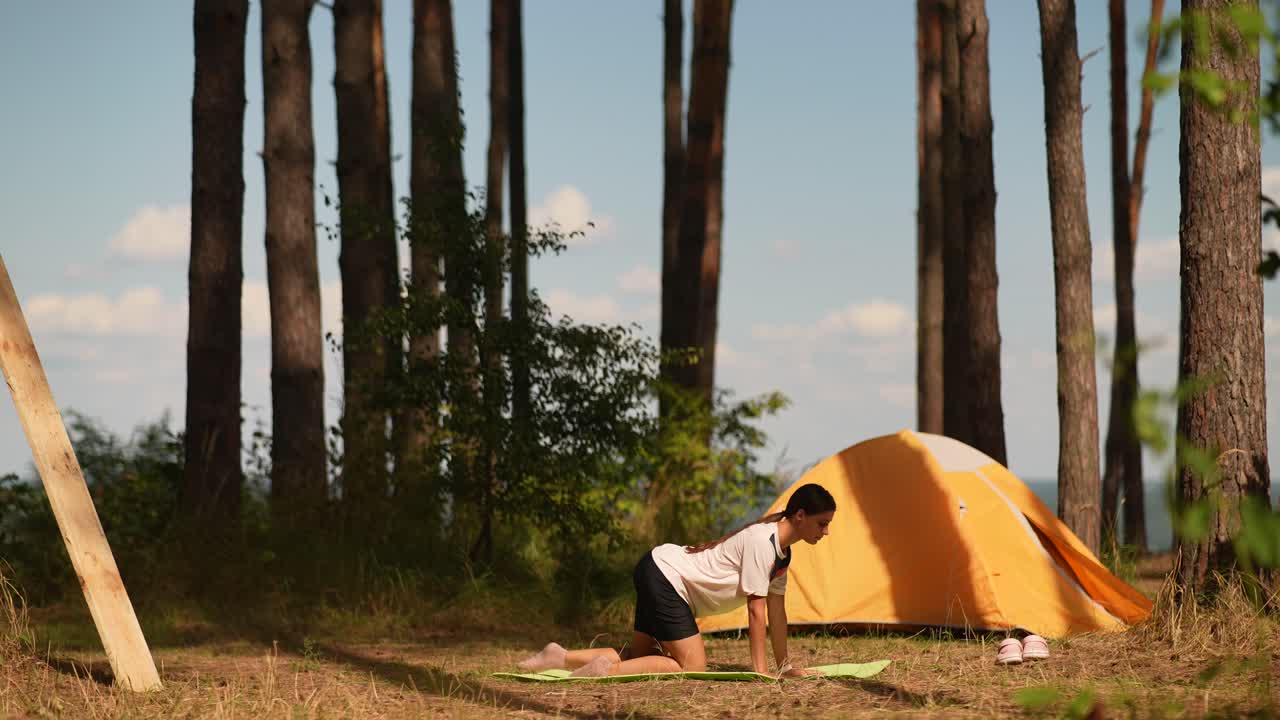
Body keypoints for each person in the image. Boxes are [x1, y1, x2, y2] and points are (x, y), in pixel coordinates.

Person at [515, 483, 837, 678]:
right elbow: (757, 612)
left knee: (642, 658)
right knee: (693, 666)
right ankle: (604, 671)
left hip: (657, 567)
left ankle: (559, 656)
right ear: (799, 516)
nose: (825, 532)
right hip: (666, 576)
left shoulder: (782, 554)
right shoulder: (761, 543)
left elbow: (776, 613)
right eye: (822, 524)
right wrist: (762, 673)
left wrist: (784, 667)